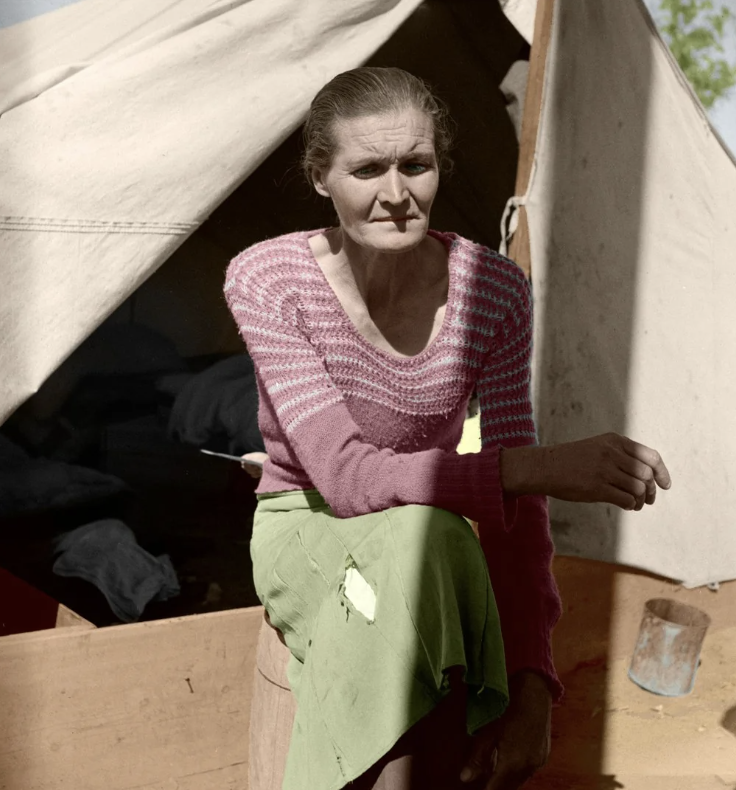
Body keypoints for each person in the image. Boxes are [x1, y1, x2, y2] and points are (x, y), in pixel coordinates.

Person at [226, 67, 671, 790]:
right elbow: (345, 479)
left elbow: (517, 517)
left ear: (439, 166)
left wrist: (534, 685)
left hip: (431, 539)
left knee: (432, 537)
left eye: (416, 165)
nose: (396, 195)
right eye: (367, 168)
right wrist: (541, 465)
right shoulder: (269, 281)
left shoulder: (493, 291)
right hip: (304, 524)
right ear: (320, 177)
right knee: (426, 536)